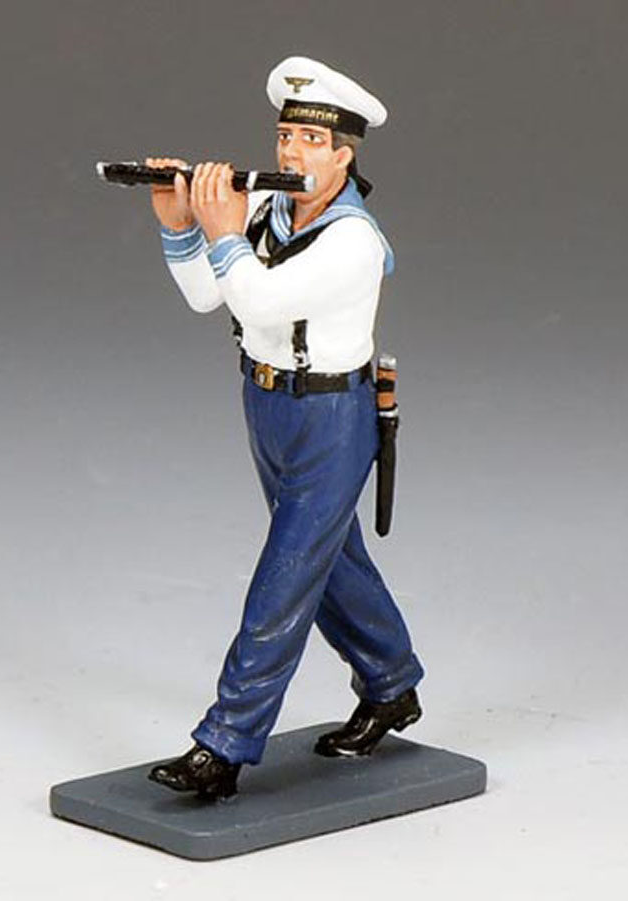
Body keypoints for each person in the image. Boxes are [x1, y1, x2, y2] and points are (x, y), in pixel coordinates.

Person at [144, 56, 424, 800]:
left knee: (285, 577)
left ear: (344, 155)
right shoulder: (268, 209)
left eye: (310, 139)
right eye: (285, 135)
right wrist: (183, 228)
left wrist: (221, 229)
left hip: (331, 416)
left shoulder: (354, 241)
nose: (292, 151)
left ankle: (225, 742)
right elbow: (209, 296)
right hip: (267, 403)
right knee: (330, 561)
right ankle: (392, 681)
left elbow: (260, 300)